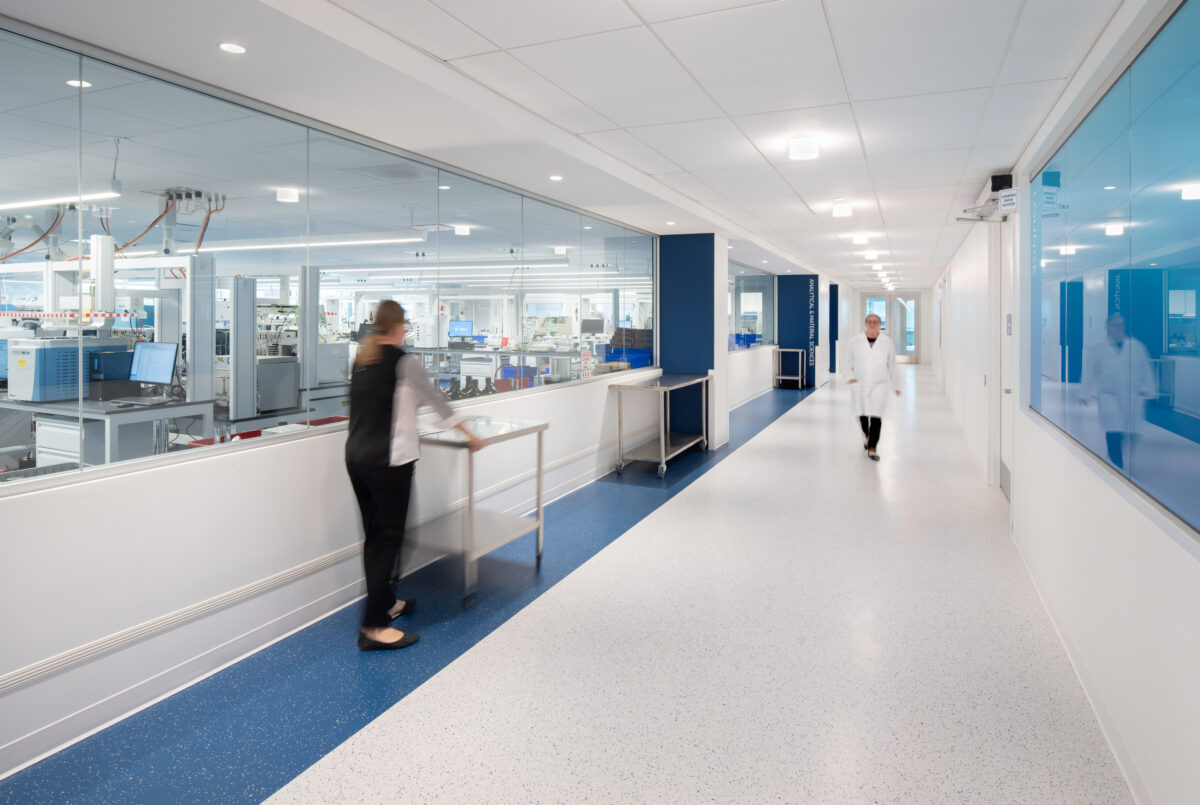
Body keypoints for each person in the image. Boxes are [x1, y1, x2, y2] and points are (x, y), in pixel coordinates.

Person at [345, 300, 482, 651]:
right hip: (389, 462)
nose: (406, 328)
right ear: (396, 326)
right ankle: (373, 628)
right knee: (390, 540)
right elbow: (439, 403)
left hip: (357, 459)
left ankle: (387, 603)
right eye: (404, 323)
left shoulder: (361, 362)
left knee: (374, 538)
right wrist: (471, 435)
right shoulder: (405, 363)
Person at [1082, 313, 1156, 470]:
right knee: (1113, 430)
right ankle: (1117, 466)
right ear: (1108, 327)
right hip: (1109, 397)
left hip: (1131, 397)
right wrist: (1084, 394)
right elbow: (1089, 373)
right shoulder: (1099, 348)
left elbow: (1145, 368)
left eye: (1121, 325)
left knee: (1132, 432)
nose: (1119, 328)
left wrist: (1148, 388)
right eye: (1115, 325)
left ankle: (1117, 456)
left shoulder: (1135, 346)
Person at [846, 313, 900, 461]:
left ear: (880, 325)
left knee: (876, 416)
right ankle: (867, 435)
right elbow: (848, 360)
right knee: (862, 414)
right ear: (865, 324)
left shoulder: (887, 342)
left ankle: (872, 448)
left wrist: (896, 385)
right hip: (860, 383)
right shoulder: (855, 342)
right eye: (870, 322)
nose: (872, 325)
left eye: (875, 322)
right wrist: (850, 378)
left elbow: (892, 364)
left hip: (879, 384)